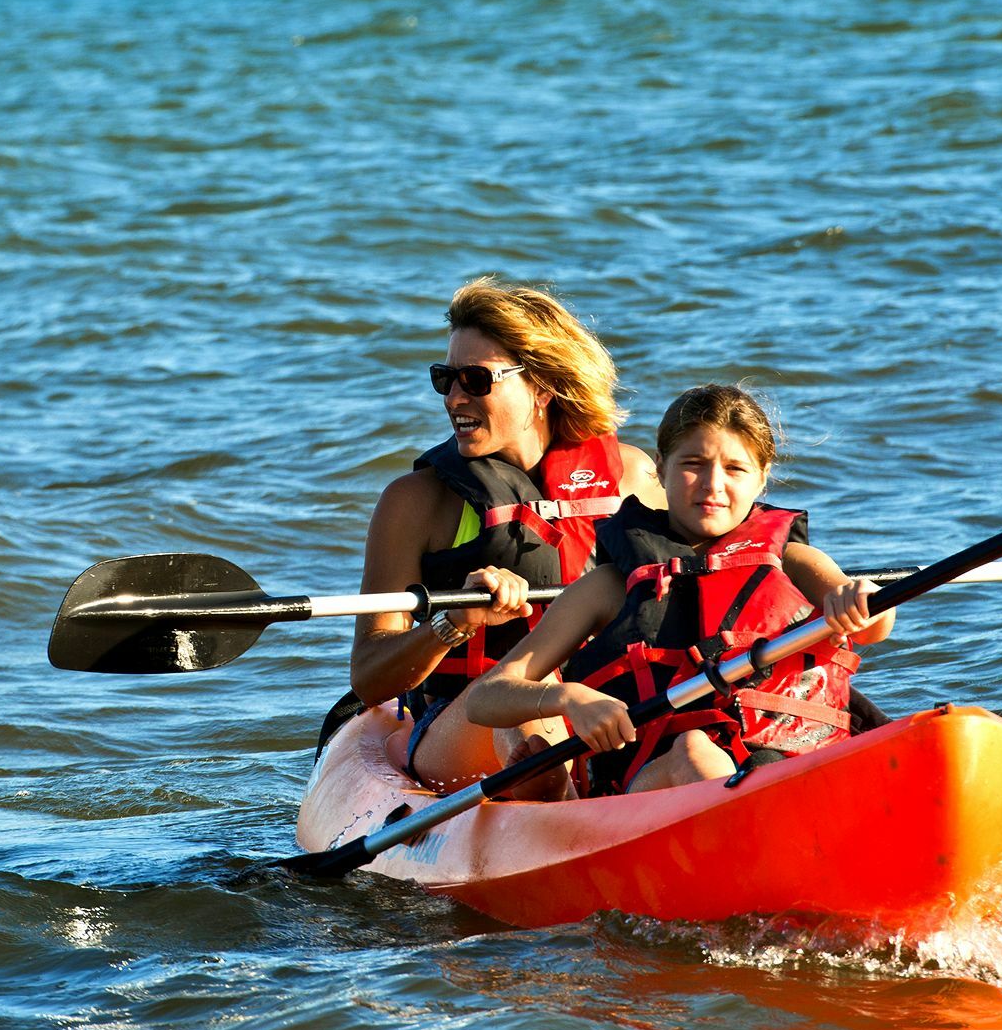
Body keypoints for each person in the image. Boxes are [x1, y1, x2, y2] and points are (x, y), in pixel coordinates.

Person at [464, 384, 895, 798]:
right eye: (693, 463)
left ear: (762, 479)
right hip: (655, 782)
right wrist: (568, 697)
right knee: (694, 750)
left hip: (788, 765)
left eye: (735, 469)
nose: (712, 484)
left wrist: (858, 598)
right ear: (660, 467)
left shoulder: (796, 561)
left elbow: (876, 623)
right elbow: (485, 698)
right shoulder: (609, 586)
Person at [350, 276, 664, 789]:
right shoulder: (415, 502)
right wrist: (454, 621)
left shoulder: (631, 477)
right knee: (524, 727)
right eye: (444, 379)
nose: (454, 397)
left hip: (599, 704)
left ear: (542, 387)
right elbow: (368, 678)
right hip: (466, 719)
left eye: (475, 380)